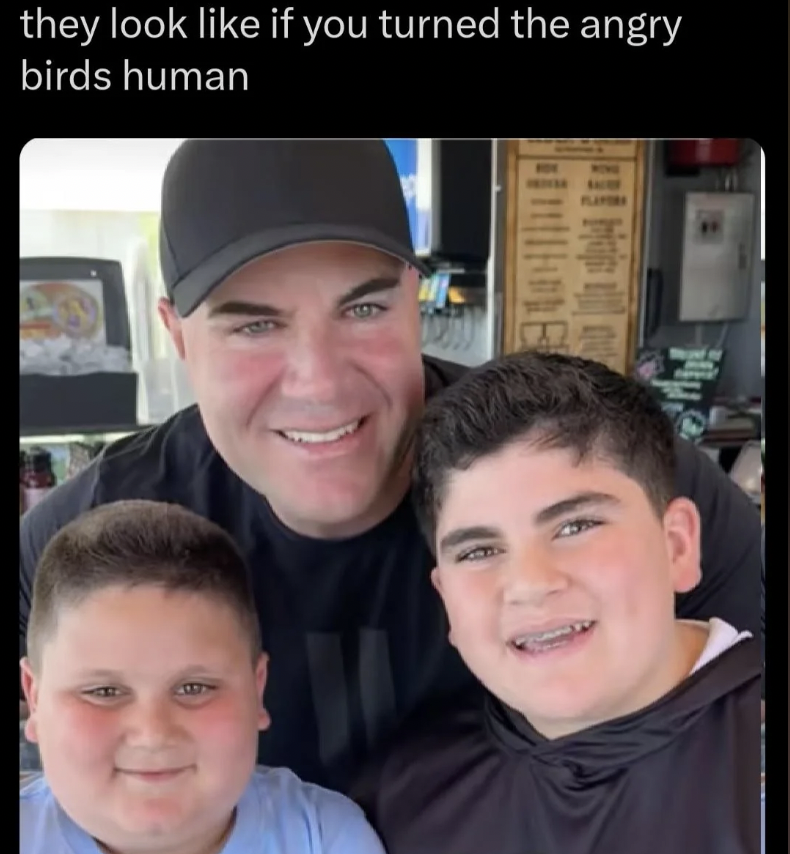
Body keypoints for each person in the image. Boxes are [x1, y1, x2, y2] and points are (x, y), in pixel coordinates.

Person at [19, 138, 763, 793]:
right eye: (253, 325)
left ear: (414, 299)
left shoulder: (598, 483)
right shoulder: (81, 548)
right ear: (176, 336)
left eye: (363, 309)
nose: (318, 382)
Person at [353, 351, 761, 854]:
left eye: (575, 526)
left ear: (676, 545)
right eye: (480, 551)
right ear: (447, 601)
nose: (529, 583)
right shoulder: (403, 799)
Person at [20, 499, 385, 854]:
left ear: (258, 690)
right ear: (34, 698)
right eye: (104, 691)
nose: (153, 735)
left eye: (193, 687)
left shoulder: (324, 838)